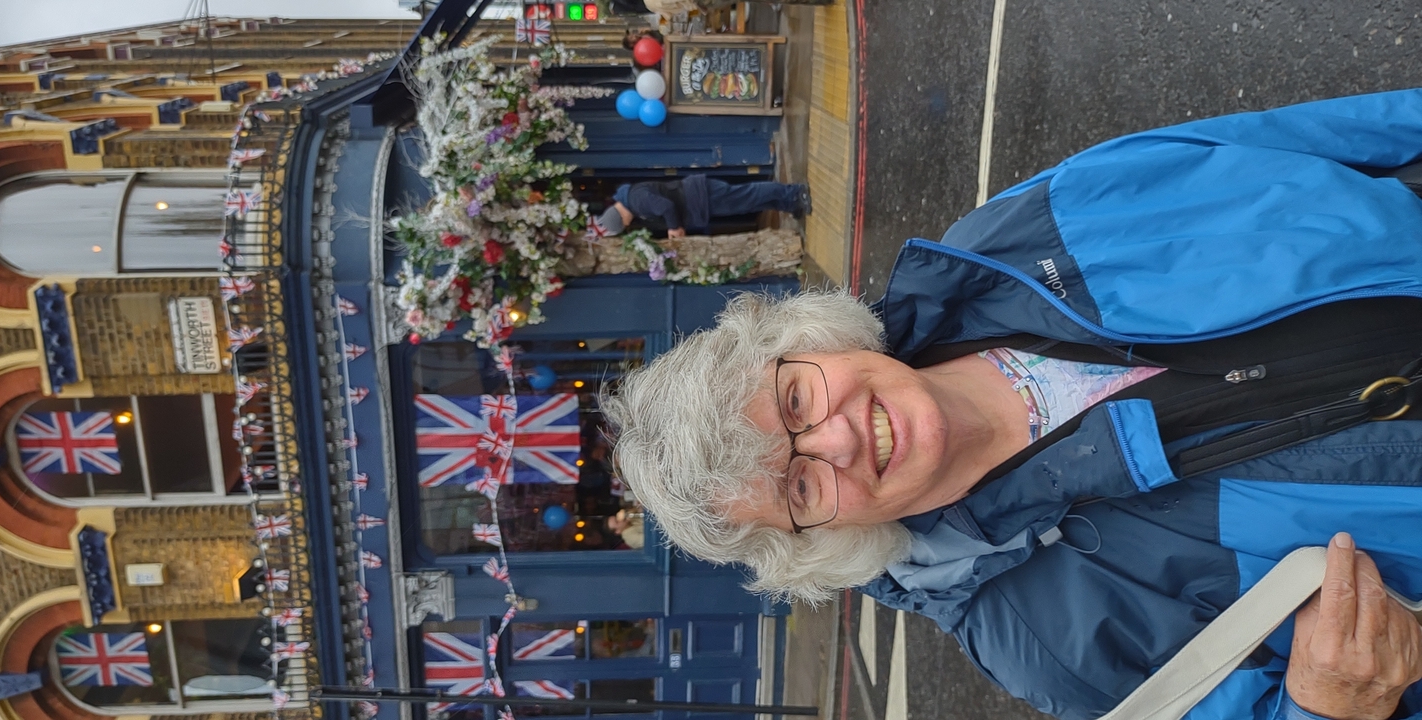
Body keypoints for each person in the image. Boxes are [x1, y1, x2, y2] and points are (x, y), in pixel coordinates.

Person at [602, 88, 1422, 720]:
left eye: (795, 401)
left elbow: (1302, 138)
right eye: (801, 487)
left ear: (813, 339)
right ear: (820, 544)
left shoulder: (1011, 240)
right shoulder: (1044, 643)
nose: (839, 439)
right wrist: (1329, 704)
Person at [596, 175, 811, 238]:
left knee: (748, 195)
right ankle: (789, 203)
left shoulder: (636, 200)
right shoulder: (634, 202)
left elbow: (666, 207)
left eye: (622, 227)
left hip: (700, 197)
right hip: (699, 200)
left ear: (620, 221)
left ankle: (794, 192)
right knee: (748, 203)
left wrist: (674, 228)